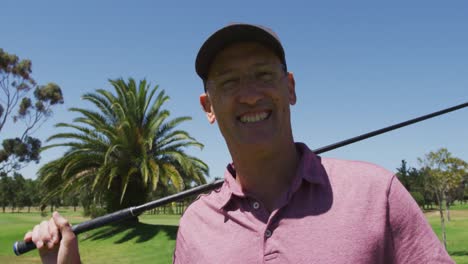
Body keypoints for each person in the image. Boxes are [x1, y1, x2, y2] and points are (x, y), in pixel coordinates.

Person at [25, 23, 453, 264]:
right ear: (208, 106)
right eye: (229, 82)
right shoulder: (196, 226)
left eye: (264, 76)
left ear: (290, 88)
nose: (249, 94)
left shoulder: (376, 194)